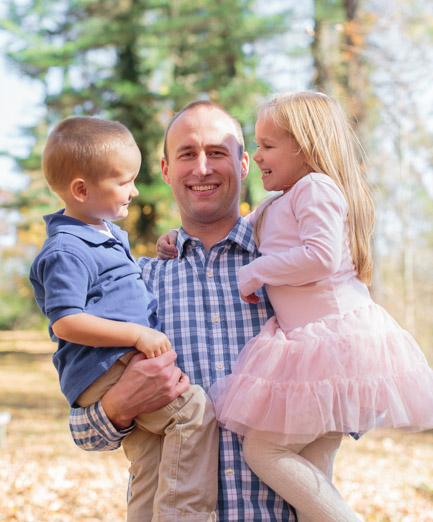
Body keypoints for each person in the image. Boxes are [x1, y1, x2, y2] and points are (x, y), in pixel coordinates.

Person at [200, 91, 433, 522]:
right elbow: (230, 231)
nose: (258, 154)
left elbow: (321, 256)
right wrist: (175, 238)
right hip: (307, 347)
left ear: (305, 148)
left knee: (263, 450)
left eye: (268, 145)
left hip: (333, 341)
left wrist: (256, 272)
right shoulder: (275, 203)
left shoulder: (316, 188)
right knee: (315, 471)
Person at [69, 102, 297, 521]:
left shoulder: (291, 270)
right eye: (187, 154)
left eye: (217, 152)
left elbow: (349, 388)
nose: (203, 168)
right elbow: (83, 432)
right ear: (166, 169)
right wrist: (118, 406)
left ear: (244, 164)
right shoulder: (133, 284)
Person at [29, 116, 218, 522]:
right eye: (124, 181)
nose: (134, 190)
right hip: (106, 365)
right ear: (81, 189)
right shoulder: (67, 249)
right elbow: (65, 322)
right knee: (192, 412)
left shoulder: (105, 233)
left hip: (117, 362)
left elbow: (121, 286)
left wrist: (163, 247)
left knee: (150, 457)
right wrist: (136, 334)